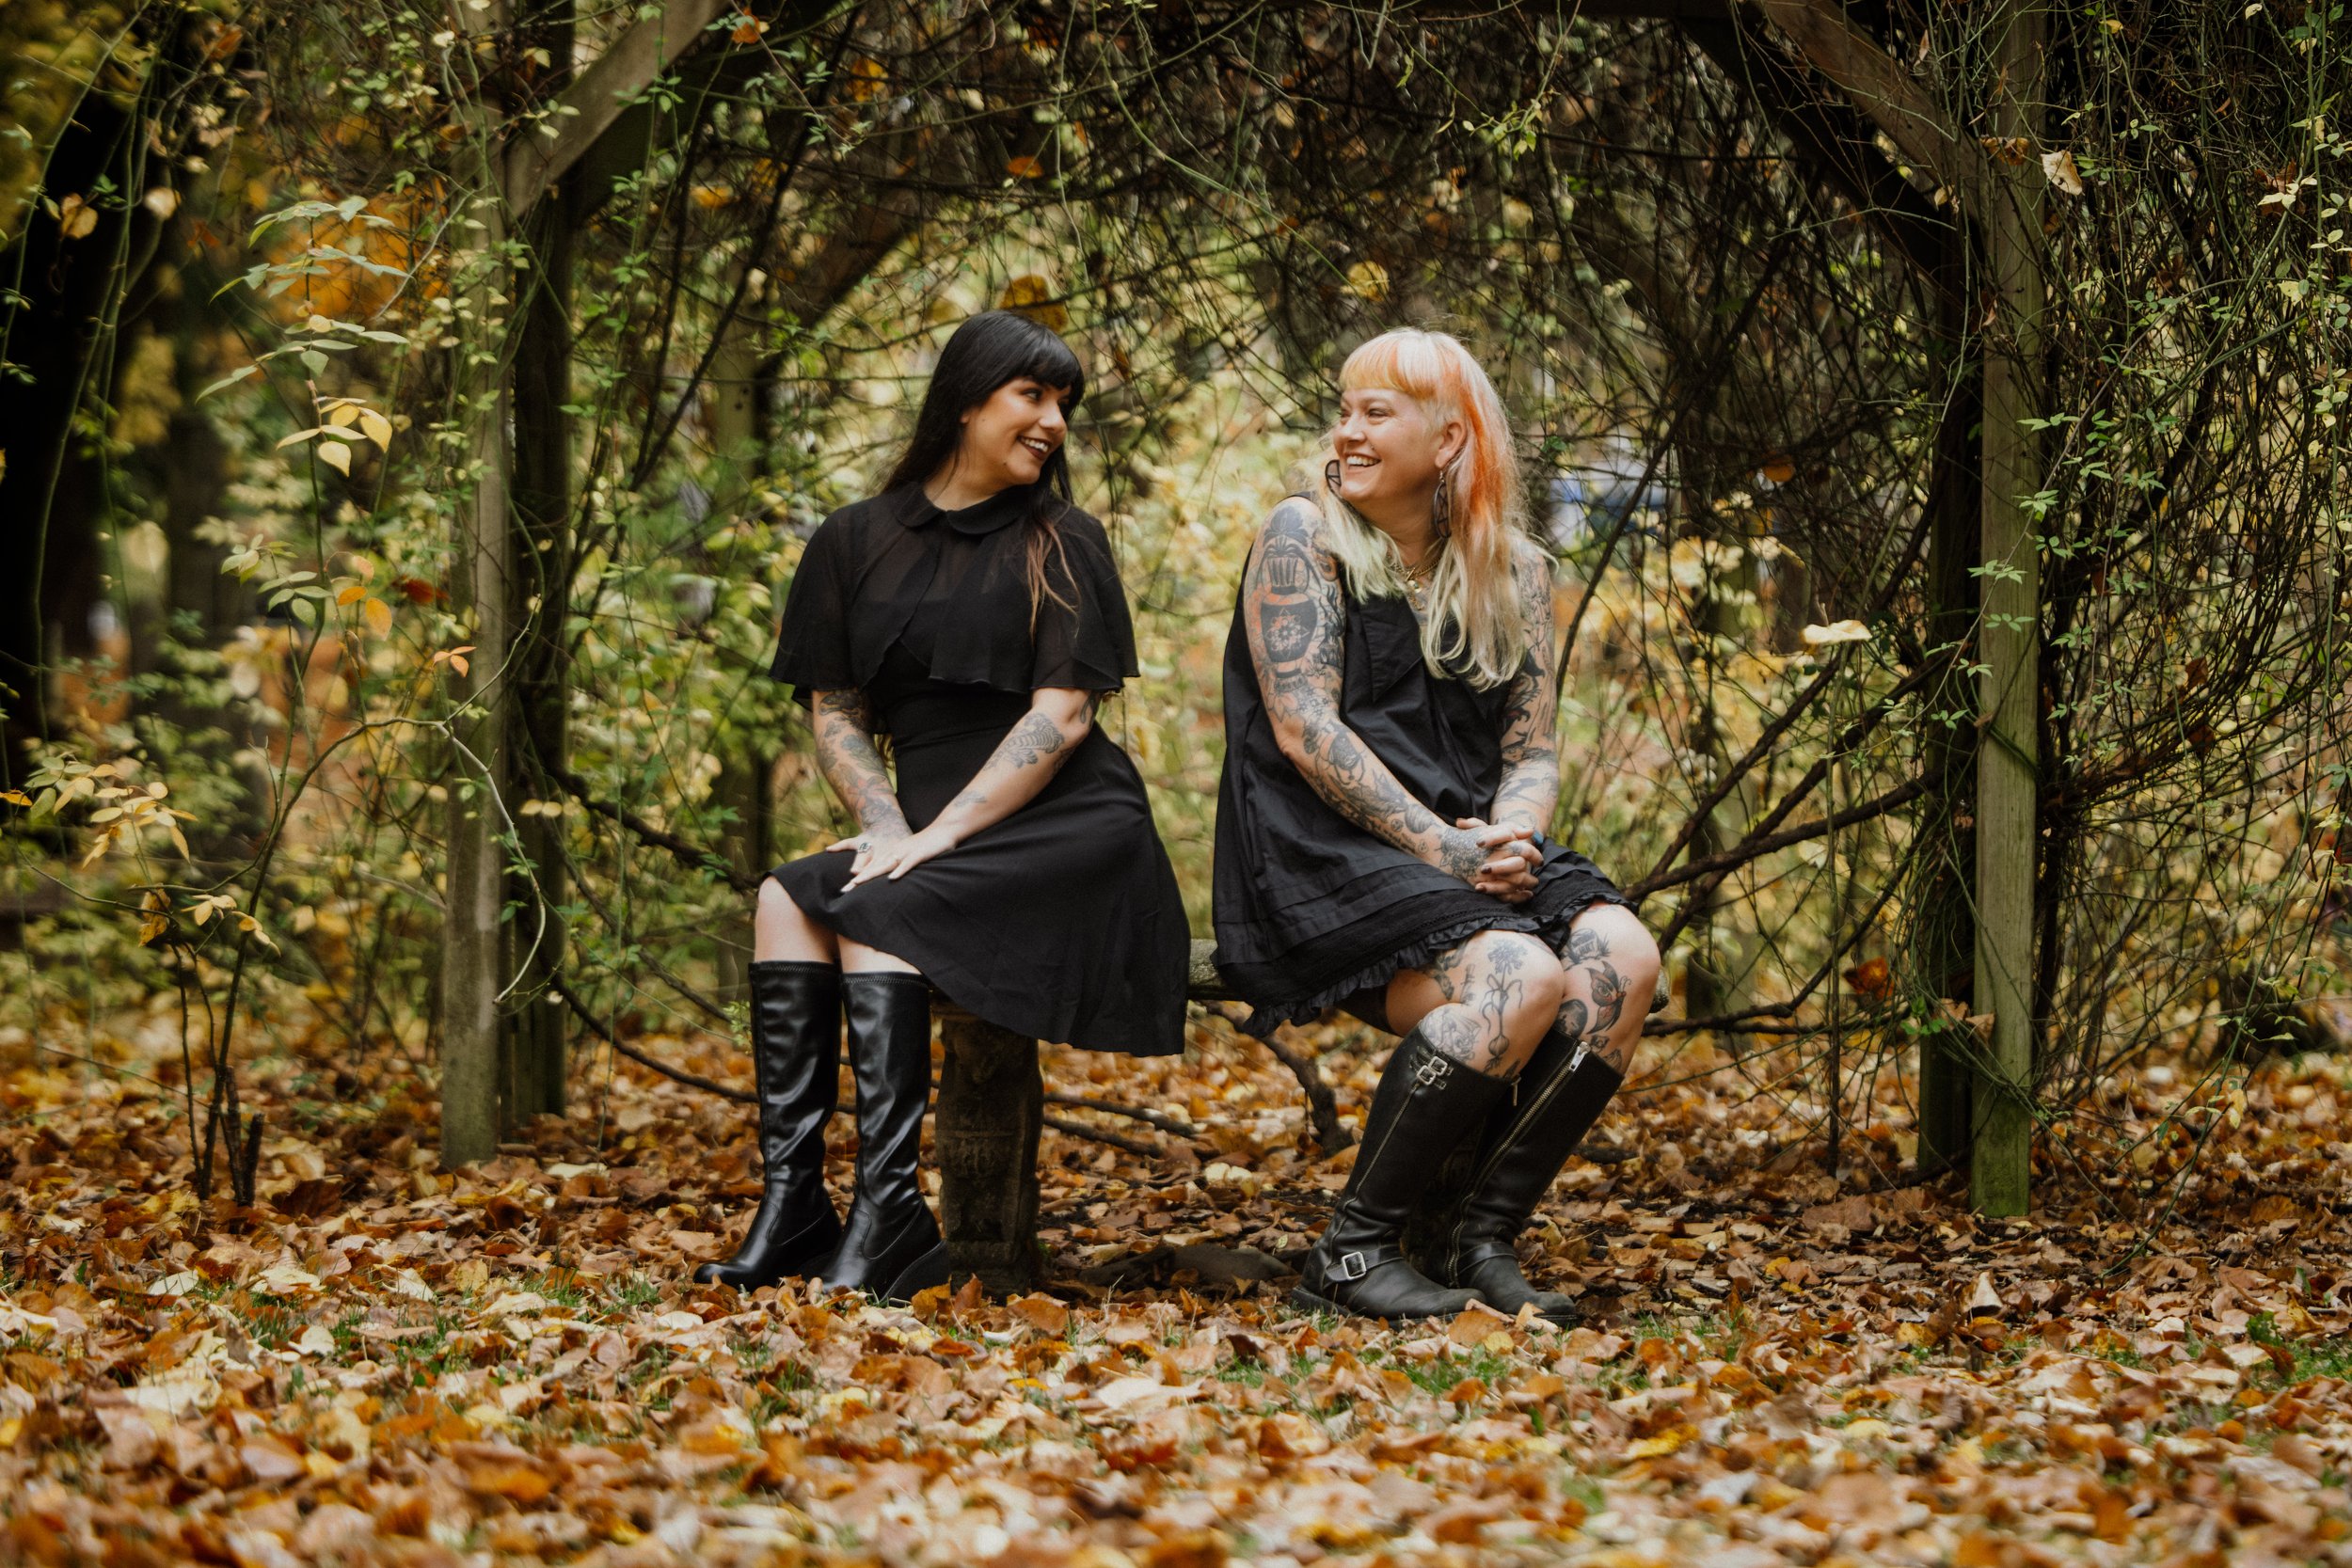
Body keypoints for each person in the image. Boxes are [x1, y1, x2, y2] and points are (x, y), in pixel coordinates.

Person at [696, 310, 1190, 1302]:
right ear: (966, 400)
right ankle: (796, 1201)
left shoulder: (1064, 540)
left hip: (1063, 821)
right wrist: (885, 822)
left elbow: (1064, 713)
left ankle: (888, 1213)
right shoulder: (852, 541)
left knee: (884, 906)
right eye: (1032, 395)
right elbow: (835, 707)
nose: (1052, 420)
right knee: (784, 900)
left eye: (1063, 404)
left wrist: (937, 834)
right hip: (922, 827)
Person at [1214, 328, 1661, 1323]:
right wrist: (1448, 849)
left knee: (1620, 957)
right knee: (1520, 977)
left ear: (1450, 440)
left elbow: (1532, 749)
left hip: (1464, 850)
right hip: (1319, 848)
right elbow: (1302, 727)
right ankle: (1351, 1251)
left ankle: (1470, 1236)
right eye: (1345, 407)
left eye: (1377, 411)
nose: (1348, 430)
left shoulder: (1515, 571)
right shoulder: (1306, 536)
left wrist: (1511, 835)